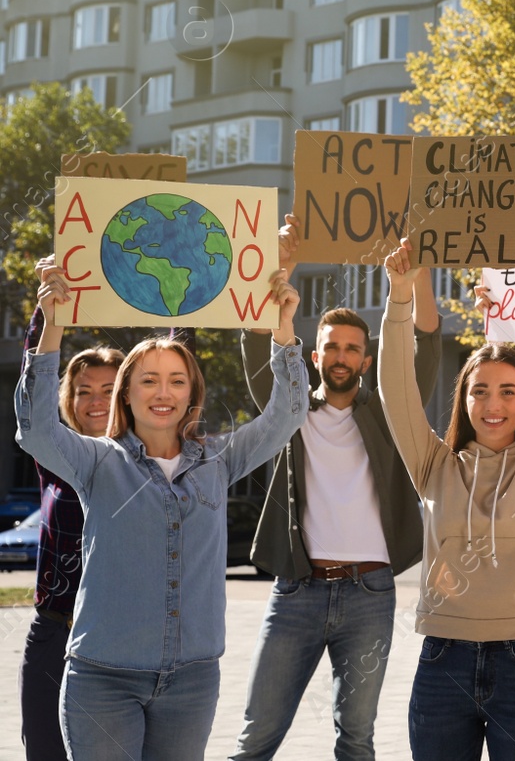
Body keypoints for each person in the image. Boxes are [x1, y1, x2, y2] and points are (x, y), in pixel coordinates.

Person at [15, 263, 307, 761]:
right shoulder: (97, 461)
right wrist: (52, 322)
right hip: (102, 680)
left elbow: (288, 413)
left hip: (191, 683)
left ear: (192, 392)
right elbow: (36, 430)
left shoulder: (218, 460)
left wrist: (283, 327)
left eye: (176, 380)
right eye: (149, 380)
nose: (163, 392)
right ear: (126, 392)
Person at [377, 235, 515, 761]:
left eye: (507, 391)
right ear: (464, 399)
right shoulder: (434, 465)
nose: (492, 403)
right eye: (479, 390)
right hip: (442, 663)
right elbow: (395, 388)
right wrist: (400, 298)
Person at [231, 213, 438, 761]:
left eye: (352, 348)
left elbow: (427, 345)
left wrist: (419, 274)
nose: (341, 356)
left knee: (357, 739)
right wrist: (281, 268)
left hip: (370, 593)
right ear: (314, 355)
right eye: (331, 347)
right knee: (255, 738)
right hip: (296, 592)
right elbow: (257, 353)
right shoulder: (290, 408)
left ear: (366, 359)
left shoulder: (391, 413)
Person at [17, 330, 121, 761]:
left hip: (122, 642)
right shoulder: (54, 453)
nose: (96, 400)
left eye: (109, 390)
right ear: (69, 399)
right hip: (53, 634)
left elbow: (178, 361)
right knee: (45, 753)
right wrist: (45, 318)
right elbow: (30, 395)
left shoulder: (152, 460)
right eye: (84, 391)